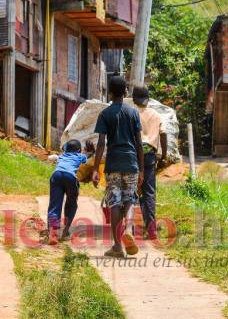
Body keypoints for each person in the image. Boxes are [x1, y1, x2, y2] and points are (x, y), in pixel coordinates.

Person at [93, 76, 144, 258]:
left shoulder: (105, 114)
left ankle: (117, 246)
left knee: (114, 201)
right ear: (125, 92)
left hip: (113, 162)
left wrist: (95, 169)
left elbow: (100, 144)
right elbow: (139, 143)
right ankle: (129, 228)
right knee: (130, 198)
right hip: (131, 162)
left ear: (110, 92)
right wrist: (142, 170)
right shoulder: (133, 113)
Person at [132, 85, 168, 240]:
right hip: (149, 156)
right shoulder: (156, 115)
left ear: (133, 99)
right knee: (149, 192)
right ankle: (151, 229)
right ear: (148, 99)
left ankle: (128, 229)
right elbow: (164, 134)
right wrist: (164, 155)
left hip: (133, 155)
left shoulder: (131, 113)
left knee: (131, 190)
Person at [47, 139, 95, 245]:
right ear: (79, 150)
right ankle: (65, 231)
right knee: (71, 204)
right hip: (70, 177)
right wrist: (91, 150)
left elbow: (59, 154)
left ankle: (53, 234)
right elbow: (88, 156)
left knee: (55, 205)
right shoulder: (79, 156)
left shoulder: (62, 155)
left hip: (56, 175)